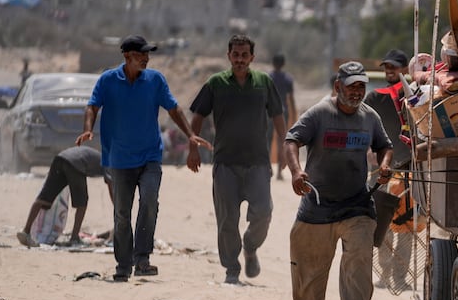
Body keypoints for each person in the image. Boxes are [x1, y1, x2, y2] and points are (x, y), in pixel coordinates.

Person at [76, 34, 211, 283]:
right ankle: (123, 265)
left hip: (150, 155)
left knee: (149, 201)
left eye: (148, 55)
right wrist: (88, 127)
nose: (147, 59)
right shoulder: (108, 80)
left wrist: (191, 135)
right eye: (141, 55)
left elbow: (174, 108)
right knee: (122, 213)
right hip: (119, 158)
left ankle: (142, 259)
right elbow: (92, 106)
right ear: (127, 57)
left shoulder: (155, 80)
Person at [284, 61, 393, 300]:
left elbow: (385, 146)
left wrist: (384, 166)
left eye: (361, 86)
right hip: (318, 202)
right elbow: (291, 140)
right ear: (337, 87)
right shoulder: (320, 114)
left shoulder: (369, 116)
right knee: (311, 264)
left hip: (357, 202)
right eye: (351, 86)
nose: (357, 92)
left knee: (358, 259)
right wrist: (297, 172)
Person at [187, 34, 287, 285]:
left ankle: (250, 247)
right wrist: (193, 146)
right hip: (225, 164)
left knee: (264, 211)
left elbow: (277, 116)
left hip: (258, 163)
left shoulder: (264, 82)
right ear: (229, 56)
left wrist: (286, 148)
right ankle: (231, 268)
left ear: (252, 57)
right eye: (236, 55)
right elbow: (198, 115)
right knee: (227, 220)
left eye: (244, 55)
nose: (240, 59)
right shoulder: (216, 83)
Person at [363, 49, 414, 286]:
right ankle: (384, 271)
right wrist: (368, 151)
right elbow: (362, 127)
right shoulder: (375, 98)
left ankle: (400, 276)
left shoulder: (413, 96)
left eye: (394, 67)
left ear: (405, 69)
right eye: (387, 67)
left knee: (405, 220)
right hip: (380, 167)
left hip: (409, 166)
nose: (389, 71)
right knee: (381, 220)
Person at [16, 145, 113, 248]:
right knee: (82, 203)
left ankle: (26, 231)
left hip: (60, 159)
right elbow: (111, 185)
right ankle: (74, 238)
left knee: (44, 198)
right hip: (76, 163)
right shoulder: (109, 162)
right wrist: (117, 206)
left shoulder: (99, 156)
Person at [267, 53, 297, 180]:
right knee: (282, 141)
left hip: (268, 111)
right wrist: (294, 112)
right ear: (283, 64)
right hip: (282, 111)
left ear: (273, 63)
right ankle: (279, 171)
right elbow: (291, 98)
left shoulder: (268, 77)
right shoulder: (288, 79)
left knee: (267, 140)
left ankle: (268, 168)